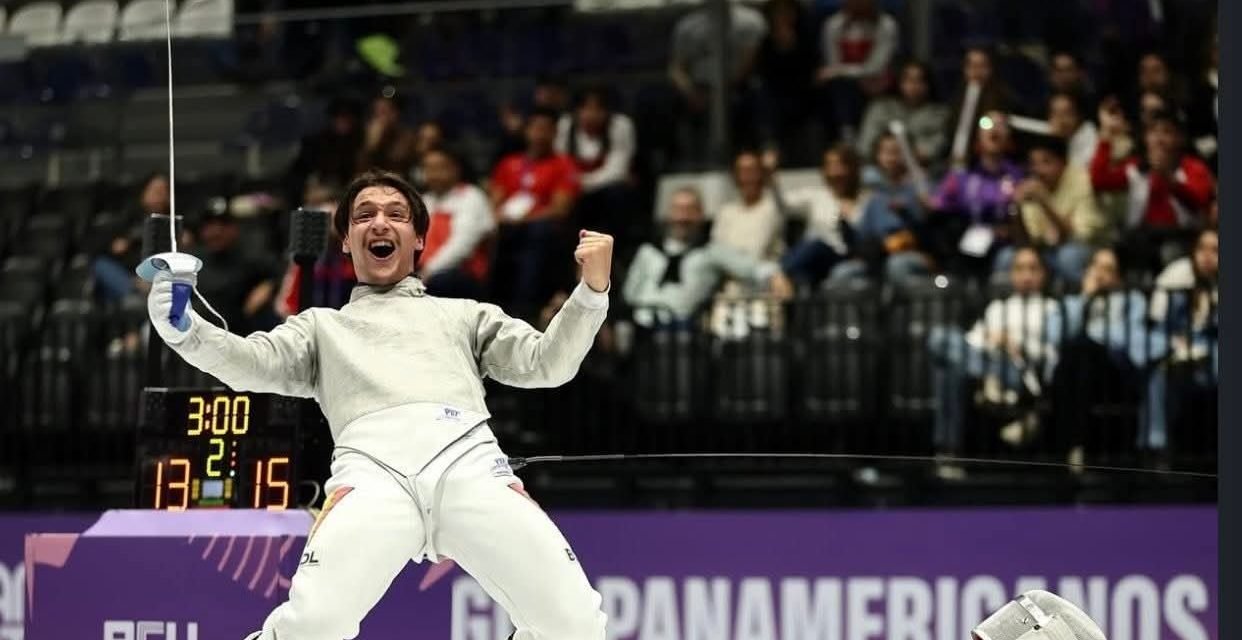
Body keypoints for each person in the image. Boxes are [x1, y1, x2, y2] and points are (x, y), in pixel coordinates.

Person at [148, 170, 613, 640]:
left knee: (575, 625)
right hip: (372, 474)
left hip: (471, 467)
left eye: (396, 215)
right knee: (313, 624)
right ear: (347, 241)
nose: (379, 223)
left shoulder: (464, 315)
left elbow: (548, 363)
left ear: (418, 241)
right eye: (364, 215)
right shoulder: (320, 327)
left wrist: (591, 294)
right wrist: (187, 331)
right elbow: (250, 362)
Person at [928, 246, 1056, 477]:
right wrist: (990, 338)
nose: (1026, 275)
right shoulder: (999, 306)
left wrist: (1015, 343)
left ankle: (949, 451)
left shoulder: (1051, 308)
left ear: (1043, 274)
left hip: (1019, 371)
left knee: (950, 359)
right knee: (943, 342)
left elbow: (1051, 355)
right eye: (1019, 268)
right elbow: (973, 340)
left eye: (1032, 268)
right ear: (1012, 274)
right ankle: (950, 450)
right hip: (985, 361)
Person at [623, 187, 792, 326]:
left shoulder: (711, 252)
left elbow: (751, 267)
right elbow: (629, 293)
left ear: (700, 215)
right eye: (678, 210)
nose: (683, 217)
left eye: (690, 210)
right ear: (669, 214)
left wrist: (774, 275)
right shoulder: (648, 251)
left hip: (683, 328)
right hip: (641, 323)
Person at [1090, 110, 1215, 273]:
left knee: (1170, 252)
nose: (1159, 139)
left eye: (1167, 132)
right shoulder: (1136, 167)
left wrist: (1168, 177)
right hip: (1141, 236)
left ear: (1180, 139)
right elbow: (1099, 180)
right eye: (1153, 132)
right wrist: (1106, 136)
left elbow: (1199, 202)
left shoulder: (1193, 168)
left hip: (1182, 236)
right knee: (1119, 249)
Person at [490, 108, 581, 320]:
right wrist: (501, 217)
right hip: (509, 229)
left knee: (538, 232)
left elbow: (560, 209)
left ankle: (525, 307)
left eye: (546, 129)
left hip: (545, 233)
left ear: (555, 133)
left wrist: (524, 219)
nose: (540, 134)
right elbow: (494, 203)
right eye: (536, 128)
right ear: (526, 131)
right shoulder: (508, 164)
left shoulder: (563, 164)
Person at [1143, 227, 1218, 454]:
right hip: (1175, 346)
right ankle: (1157, 447)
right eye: (1201, 248)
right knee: (1158, 371)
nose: (1206, 256)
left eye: (1215, 250)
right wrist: (1176, 343)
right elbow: (1156, 320)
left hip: (1212, 349)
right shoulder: (1175, 275)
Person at [998, 135, 1108, 285]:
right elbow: (1029, 242)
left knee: (1068, 256)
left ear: (1063, 163)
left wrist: (1045, 203)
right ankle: (1007, 307)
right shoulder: (1033, 185)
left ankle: (1079, 304)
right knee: (1006, 257)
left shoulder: (1081, 181)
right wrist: (1016, 209)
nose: (1039, 170)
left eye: (1046, 162)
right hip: (1045, 251)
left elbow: (1076, 236)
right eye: (1034, 163)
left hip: (1083, 248)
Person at [926, 111, 1025, 279]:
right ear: (978, 137)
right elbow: (938, 207)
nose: (994, 129)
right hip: (967, 244)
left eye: (1001, 125)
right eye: (987, 123)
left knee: (1008, 258)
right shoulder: (962, 176)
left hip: (1004, 246)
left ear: (1009, 138)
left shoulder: (1018, 175)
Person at [186, 206, 285, 334]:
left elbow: (281, 273)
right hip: (196, 335)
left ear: (234, 229)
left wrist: (268, 286)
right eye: (210, 225)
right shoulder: (191, 260)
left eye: (223, 225)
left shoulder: (250, 258)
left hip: (237, 335)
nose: (216, 231)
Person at [555, 86, 637, 238]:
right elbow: (561, 162)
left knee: (617, 193)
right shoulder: (566, 125)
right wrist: (573, 183)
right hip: (575, 188)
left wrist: (582, 182)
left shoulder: (620, 126)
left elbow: (617, 170)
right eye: (586, 108)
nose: (591, 115)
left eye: (598, 109)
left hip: (606, 188)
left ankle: (614, 248)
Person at [815, 0, 900, 143]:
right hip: (844, 84)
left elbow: (877, 66)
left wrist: (844, 72)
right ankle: (845, 134)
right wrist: (844, 73)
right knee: (837, 86)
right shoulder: (833, 24)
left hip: (879, 81)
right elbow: (833, 62)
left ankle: (867, 141)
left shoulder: (886, 25)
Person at [418, 147, 495, 300]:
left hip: (462, 273)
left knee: (439, 283)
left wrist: (427, 271)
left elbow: (462, 246)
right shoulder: (424, 200)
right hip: (424, 270)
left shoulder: (471, 197)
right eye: (428, 168)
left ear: (455, 169)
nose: (433, 175)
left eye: (439, 168)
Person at [856, 60, 949, 170]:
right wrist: (887, 155)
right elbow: (865, 144)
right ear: (899, 82)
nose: (913, 85)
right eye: (908, 80)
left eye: (920, 80)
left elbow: (938, 144)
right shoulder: (880, 108)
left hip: (922, 172)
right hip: (878, 171)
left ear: (928, 85)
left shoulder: (940, 114)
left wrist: (909, 156)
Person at [93, 173, 171, 304]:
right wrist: (118, 246)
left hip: (160, 279)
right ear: (143, 193)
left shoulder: (174, 223)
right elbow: (103, 249)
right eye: (155, 191)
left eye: (164, 191)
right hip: (129, 277)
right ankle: (134, 296)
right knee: (101, 265)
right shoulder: (127, 220)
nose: (159, 196)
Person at [285, 97, 364, 206]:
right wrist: (306, 191)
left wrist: (331, 193)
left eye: (347, 117)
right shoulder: (316, 143)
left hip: (346, 201)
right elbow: (296, 176)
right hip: (314, 201)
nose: (343, 121)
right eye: (338, 116)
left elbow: (361, 181)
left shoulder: (362, 145)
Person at [711, 150, 783, 261]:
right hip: (726, 272)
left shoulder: (773, 207)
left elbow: (757, 251)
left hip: (763, 273)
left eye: (752, 171)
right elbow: (717, 248)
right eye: (742, 171)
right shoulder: (726, 212)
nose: (748, 177)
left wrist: (770, 172)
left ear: (761, 174)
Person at [357, 93, 419, 176]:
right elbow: (360, 171)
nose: (379, 117)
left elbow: (400, 164)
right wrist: (371, 146)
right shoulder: (366, 134)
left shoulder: (406, 136)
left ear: (395, 114)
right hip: (373, 183)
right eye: (376, 113)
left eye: (383, 112)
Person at [1046, 91, 1098, 169]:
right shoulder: (1060, 137)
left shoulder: (1090, 136)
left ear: (1079, 114)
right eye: (1055, 113)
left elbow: (1076, 173)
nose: (1060, 120)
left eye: (1066, 113)